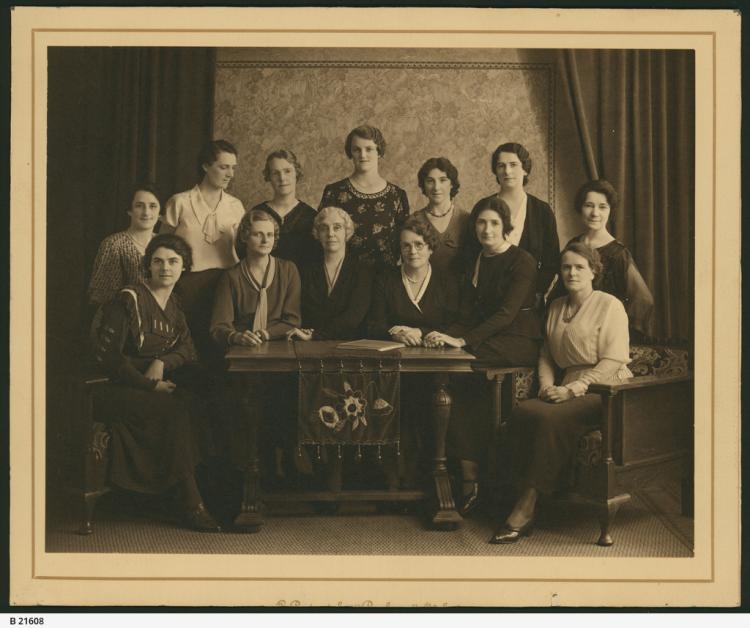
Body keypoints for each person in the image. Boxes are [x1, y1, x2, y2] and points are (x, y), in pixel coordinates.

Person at [490, 242, 632, 544]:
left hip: (606, 389)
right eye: (566, 267)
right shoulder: (556, 307)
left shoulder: (609, 305)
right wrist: (545, 387)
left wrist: (572, 389)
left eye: (579, 266)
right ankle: (514, 495)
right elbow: (546, 356)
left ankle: (526, 508)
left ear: (594, 270)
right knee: (526, 410)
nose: (572, 272)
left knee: (550, 420)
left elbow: (614, 359)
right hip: (566, 385)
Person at [90, 234, 221, 532]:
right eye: (158, 261)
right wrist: (149, 385)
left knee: (198, 402)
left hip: (148, 384)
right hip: (114, 388)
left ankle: (186, 496)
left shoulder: (174, 304)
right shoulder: (128, 299)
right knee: (173, 410)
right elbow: (109, 359)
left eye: (173, 261)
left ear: (184, 266)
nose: (166, 268)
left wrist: (163, 363)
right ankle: (192, 506)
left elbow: (188, 349)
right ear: (147, 266)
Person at [425, 196, 541, 516]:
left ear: (506, 226)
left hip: (518, 337)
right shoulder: (476, 258)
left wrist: (462, 340)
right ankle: (468, 476)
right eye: (480, 222)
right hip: (487, 337)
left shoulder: (523, 261)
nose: (486, 229)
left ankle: (474, 478)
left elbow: (505, 314)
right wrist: (440, 336)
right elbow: (468, 312)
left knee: (460, 367)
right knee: (452, 373)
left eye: (493, 223)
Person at [210, 209, 302, 490]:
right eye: (258, 234)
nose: (265, 240)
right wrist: (238, 336)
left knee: (286, 401)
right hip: (243, 358)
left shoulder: (288, 270)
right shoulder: (232, 277)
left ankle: (286, 469)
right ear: (245, 238)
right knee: (243, 404)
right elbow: (218, 327)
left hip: (279, 354)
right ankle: (249, 471)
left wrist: (266, 333)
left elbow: (292, 320)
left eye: (270, 235)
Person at [367, 216, 460, 489]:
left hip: (436, 367)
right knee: (392, 408)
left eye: (419, 245)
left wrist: (435, 333)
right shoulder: (387, 280)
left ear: (431, 247)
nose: (413, 251)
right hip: (394, 368)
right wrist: (394, 331)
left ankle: (429, 480)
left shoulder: (446, 280)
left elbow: (457, 320)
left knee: (434, 407)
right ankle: (392, 480)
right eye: (406, 246)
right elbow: (373, 323)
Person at [161, 139, 246, 359]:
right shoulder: (179, 202)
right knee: (189, 346)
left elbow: (244, 249)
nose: (230, 174)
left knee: (220, 348)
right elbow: (161, 246)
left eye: (233, 167)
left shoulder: (236, 206)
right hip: (187, 285)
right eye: (223, 166)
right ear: (206, 166)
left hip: (226, 284)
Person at [550, 179, 654, 339]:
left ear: (610, 211)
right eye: (589, 205)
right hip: (572, 331)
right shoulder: (574, 244)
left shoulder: (618, 254)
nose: (595, 213)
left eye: (602, 207)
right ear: (580, 208)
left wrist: (615, 330)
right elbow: (561, 291)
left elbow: (643, 300)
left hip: (601, 335)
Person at [470, 142, 560, 306]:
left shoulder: (541, 211)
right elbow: (470, 253)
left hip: (528, 300)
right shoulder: (482, 207)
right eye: (501, 166)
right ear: (495, 171)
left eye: (513, 165)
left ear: (525, 169)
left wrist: (534, 291)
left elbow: (551, 260)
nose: (507, 171)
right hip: (486, 300)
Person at [319, 125, 409, 268]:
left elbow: (405, 244)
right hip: (346, 278)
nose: (363, 155)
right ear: (350, 153)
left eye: (369, 149)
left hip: (385, 278)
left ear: (379, 152)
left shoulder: (396, 196)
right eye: (357, 149)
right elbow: (322, 239)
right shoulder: (334, 192)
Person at [288, 206, 374, 342]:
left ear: (347, 231)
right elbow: (302, 310)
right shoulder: (306, 270)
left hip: (350, 344)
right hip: (309, 343)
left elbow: (354, 317)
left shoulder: (362, 270)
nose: (330, 234)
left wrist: (317, 335)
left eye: (337, 227)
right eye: (324, 228)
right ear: (317, 233)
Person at [87, 182, 161, 308]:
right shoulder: (114, 245)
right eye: (139, 206)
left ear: (160, 212)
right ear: (129, 211)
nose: (146, 212)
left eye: (153, 206)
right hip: (123, 319)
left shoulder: (164, 243)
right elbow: (102, 297)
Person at [250, 149, 318, 269]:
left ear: (296, 173)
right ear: (269, 177)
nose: (282, 178)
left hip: (302, 284)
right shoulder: (257, 214)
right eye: (275, 173)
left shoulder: (311, 216)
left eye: (287, 171)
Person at [411, 157, 470, 278]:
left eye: (443, 180)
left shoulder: (466, 220)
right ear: (423, 185)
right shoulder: (414, 221)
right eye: (430, 181)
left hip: (461, 291)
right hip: (425, 290)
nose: (436, 187)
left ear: (452, 184)